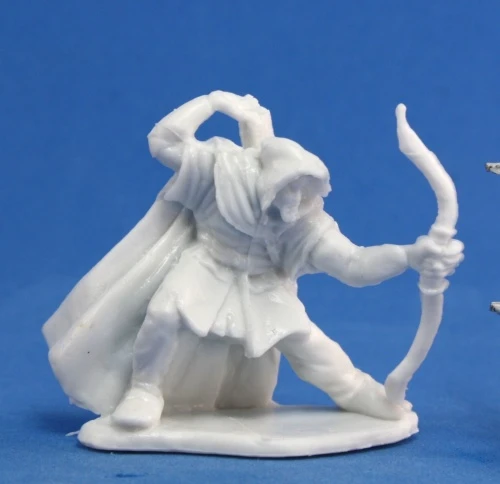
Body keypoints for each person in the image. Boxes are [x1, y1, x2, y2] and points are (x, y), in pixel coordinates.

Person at [99, 91, 463, 430]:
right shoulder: (221, 174)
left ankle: (360, 392)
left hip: (264, 284)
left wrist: (410, 255)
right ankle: (144, 390)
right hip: (207, 263)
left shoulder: (304, 220)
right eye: (288, 186)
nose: (295, 199)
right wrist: (212, 103)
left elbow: (354, 265)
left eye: (304, 189)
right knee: (164, 313)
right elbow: (164, 141)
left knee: (310, 345)